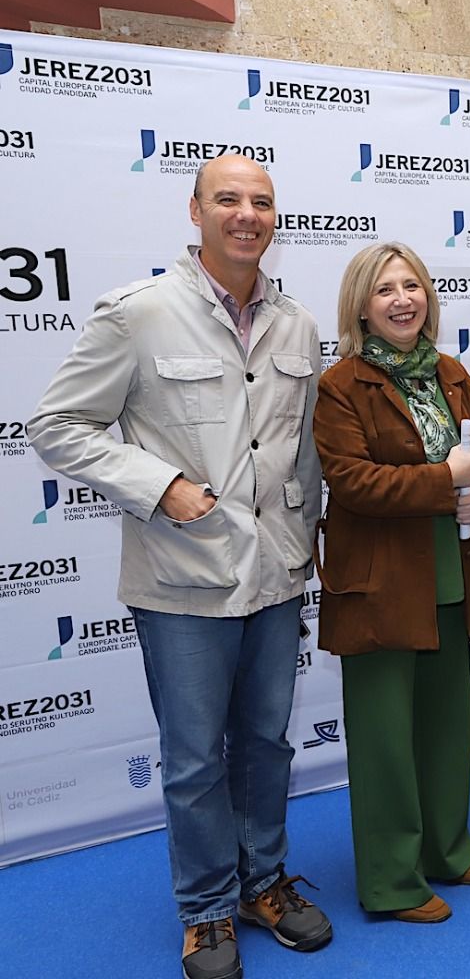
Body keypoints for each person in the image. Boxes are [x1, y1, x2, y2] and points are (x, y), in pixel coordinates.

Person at [28, 155, 331, 979]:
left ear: (277, 219)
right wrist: (159, 485)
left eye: (262, 202)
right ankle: (205, 910)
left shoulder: (297, 324)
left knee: (265, 745)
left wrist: (315, 546)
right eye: (227, 199)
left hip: (276, 574)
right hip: (181, 580)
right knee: (196, 756)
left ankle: (263, 882)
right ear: (194, 211)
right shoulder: (138, 314)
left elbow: (298, 453)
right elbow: (57, 425)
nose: (246, 214)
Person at [311, 241, 470, 922]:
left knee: (447, 729)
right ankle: (390, 882)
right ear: (362, 305)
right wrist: (447, 485)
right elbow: (353, 483)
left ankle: (446, 848)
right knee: (386, 741)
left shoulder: (451, 372)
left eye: (411, 285)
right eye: (385, 289)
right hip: (381, 588)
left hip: (452, 575)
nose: (402, 299)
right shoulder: (339, 385)